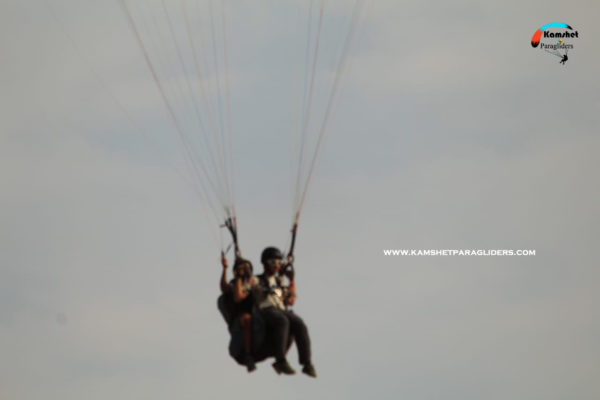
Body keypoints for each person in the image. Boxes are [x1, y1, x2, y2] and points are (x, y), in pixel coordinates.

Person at [253, 247, 316, 377]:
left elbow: (291, 300)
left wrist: (291, 280)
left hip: (279, 309)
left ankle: (306, 363)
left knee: (299, 324)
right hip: (265, 309)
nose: (276, 265)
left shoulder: (279, 282)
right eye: (272, 262)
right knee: (282, 321)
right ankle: (280, 360)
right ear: (264, 263)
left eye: (278, 262)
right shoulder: (256, 279)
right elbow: (245, 289)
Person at [220, 253, 258, 372]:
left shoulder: (255, 281)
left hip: (258, 311)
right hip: (242, 315)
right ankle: (248, 355)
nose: (245, 269)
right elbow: (224, 288)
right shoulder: (235, 283)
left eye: (247, 266)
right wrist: (225, 269)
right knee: (247, 320)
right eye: (242, 268)